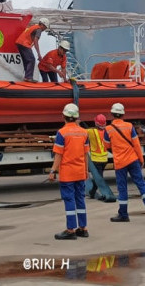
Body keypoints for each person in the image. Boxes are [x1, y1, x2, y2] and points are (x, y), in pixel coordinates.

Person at [103, 103, 145, 223]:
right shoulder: (129, 126)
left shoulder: (108, 129)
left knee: (122, 189)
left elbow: (106, 146)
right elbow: (136, 144)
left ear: (112, 114)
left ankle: (123, 214)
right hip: (133, 159)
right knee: (141, 185)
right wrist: (141, 159)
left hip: (120, 162)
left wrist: (116, 150)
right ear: (123, 114)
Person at [49, 103, 90, 240]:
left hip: (67, 173)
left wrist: (53, 171)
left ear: (63, 116)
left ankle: (70, 230)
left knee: (69, 200)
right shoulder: (84, 132)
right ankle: (83, 228)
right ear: (77, 117)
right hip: (80, 172)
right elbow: (85, 155)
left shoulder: (62, 133)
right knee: (80, 199)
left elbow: (58, 155)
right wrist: (86, 171)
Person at [15, 18, 49, 82]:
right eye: (45, 27)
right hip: (24, 44)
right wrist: (39, 54)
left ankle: (26, 77)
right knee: (31, 60)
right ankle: (28, 77)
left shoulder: (34, 26)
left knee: (27, 60)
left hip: (19, 43)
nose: (44, 29)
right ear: (42, 25)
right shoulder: (39, 29)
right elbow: (36, 41)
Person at [87, 114, 109, 199]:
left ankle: (97, 192)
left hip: (96, 159)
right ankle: (92, 192)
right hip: (104, 159)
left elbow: (80, 132)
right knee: (99, 176)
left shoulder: (91, 131)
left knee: (99, 178)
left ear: (96, 123)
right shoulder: (107, 131)